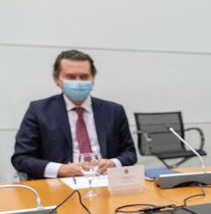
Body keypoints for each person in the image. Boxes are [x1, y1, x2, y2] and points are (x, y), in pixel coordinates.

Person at [11, 50, 137, 180]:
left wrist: (113, 163)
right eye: (71, 77)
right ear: (57, 79)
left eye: (84, 77)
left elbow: (130, 153)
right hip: (59, 185)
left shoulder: (114, 111)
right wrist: (60, 169)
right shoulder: (39, 111)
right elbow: (21, 158)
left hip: (106, 182)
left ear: (93, 78)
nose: (78, 83)